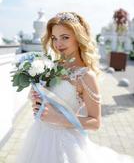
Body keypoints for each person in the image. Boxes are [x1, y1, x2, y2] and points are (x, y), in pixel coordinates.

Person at [15, 12, 134, 163]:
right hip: (39, 136)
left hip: (65, 145)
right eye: (54, 38)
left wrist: (58, 118)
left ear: (78, 37)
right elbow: (44, 103)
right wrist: (35, 99)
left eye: (65, 37)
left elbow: (95, 122)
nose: (58, 43)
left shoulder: (86, 76)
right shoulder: (50, 66)